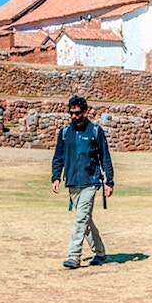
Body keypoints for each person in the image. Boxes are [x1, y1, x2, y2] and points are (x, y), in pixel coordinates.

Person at [52, 95, 114, 269]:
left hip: (90, 182)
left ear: (85, 112)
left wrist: (109, 181)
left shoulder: (95, 131)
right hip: (72, 182)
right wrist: (56, 176)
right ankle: (100, 251)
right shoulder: (65, 132)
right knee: (85, 219)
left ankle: (74, 256)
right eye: (71, 113)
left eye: (78, 113)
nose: (74, 116)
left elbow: (105, 157)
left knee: (80, 219)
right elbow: (58, 156)